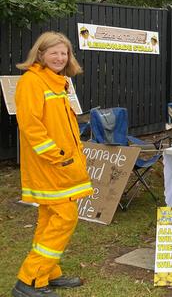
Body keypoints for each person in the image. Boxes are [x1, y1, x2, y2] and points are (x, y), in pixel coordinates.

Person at [12, 32, 94, 297]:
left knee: (48, 218)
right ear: (40, 54)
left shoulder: (59, 82)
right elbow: (31, 126)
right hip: (50, 165)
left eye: (64, 53)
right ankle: (30, 280)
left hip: (63, 163)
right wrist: (57, 155)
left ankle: (48, 272)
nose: (60, 58)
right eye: (54, 53)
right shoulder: (32, 82)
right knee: (65, 217)